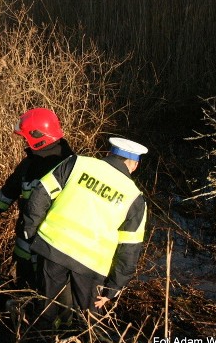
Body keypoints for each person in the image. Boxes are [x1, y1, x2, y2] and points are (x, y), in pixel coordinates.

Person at [22, 137, 148, 323]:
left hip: (53, 248)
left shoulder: (77, 163)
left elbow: (40, 195)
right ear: (135, 165)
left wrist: (32, 233)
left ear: (109, 154)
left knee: (46, 310)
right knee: (87, 323)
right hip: (92, 265)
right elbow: (130, 250)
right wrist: (113, 288)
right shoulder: (135, 198)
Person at [0, 108, 74, 290]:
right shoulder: (30, 164)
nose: (23, 141)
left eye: (25, 137)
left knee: (50, 307)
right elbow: (5, 196)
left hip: (54, 255)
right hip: (28, 251)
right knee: (27, 298)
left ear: (37, 136)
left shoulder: (69, 167)